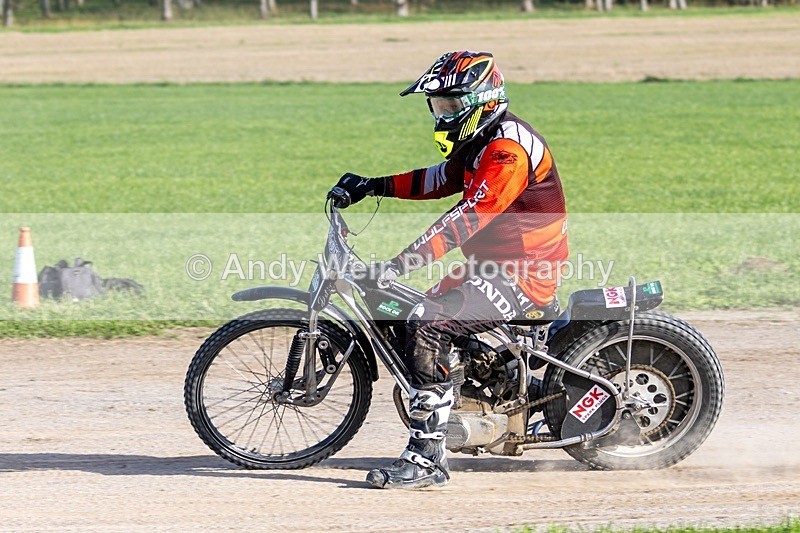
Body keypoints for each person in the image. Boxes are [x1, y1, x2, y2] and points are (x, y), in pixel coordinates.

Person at [332, 51, 569, 489]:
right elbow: (441, 179)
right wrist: (373, 185)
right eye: (437, 105)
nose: (442, 114)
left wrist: (401, 263)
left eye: (449, 104)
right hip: (490, 267)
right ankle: (493, 395)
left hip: (522, 276)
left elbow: (465, 219)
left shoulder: (506, 152)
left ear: (480, 100)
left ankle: (427, 461)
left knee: (429, 324)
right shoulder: (483, 138)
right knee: (413, 313)